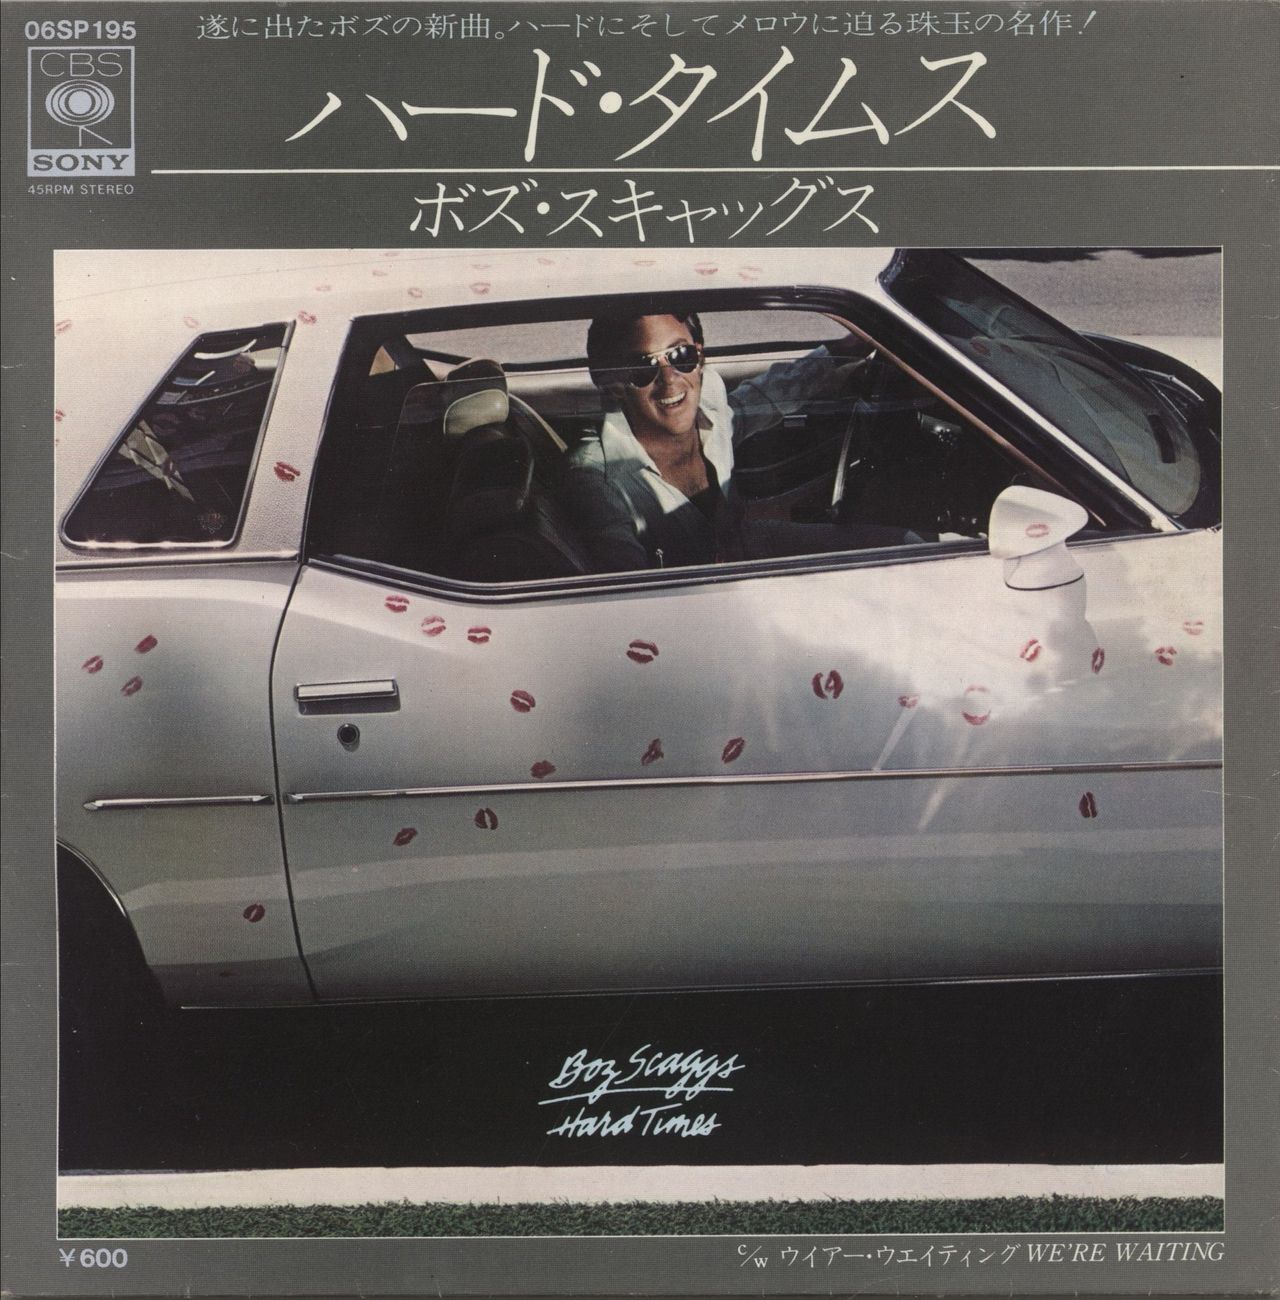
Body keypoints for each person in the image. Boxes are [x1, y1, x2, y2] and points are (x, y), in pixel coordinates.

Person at [561, 309, 907, 572]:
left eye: (681, 356)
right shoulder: (596, 479)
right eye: (642, 368)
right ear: (611, 384)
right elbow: (627, 592)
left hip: (741, 545)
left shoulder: (708, 392)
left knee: (904, 546)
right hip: (692, 596)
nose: (670, 381)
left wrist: (841, 351)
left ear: (699, 356)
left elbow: (753, 403)